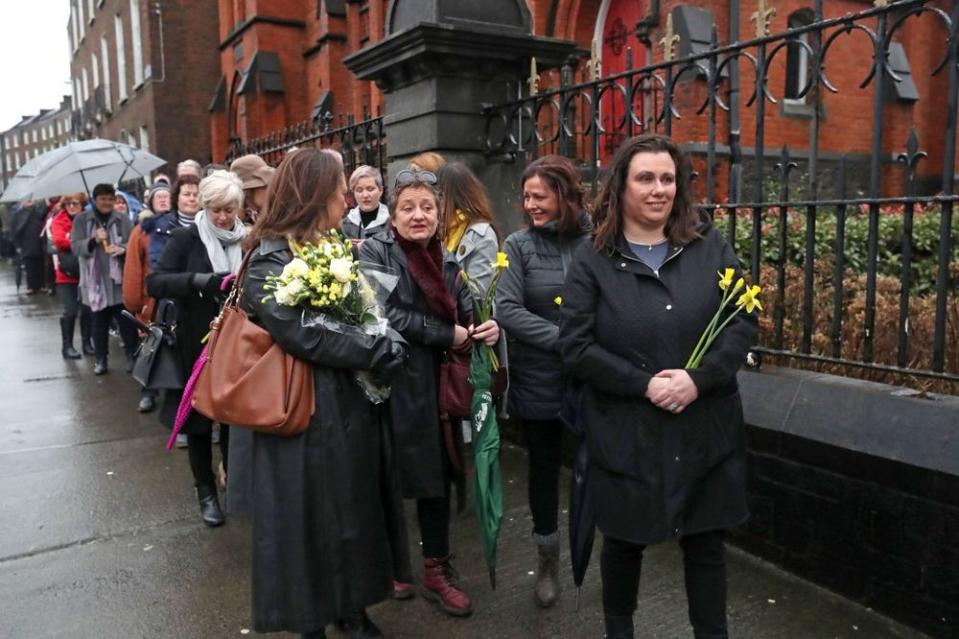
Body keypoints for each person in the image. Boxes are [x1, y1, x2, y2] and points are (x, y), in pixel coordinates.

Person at [560, 134, 757, 639]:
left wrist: (698, 379)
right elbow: (577, 347)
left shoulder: (708, 245)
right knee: (624, 544)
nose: (658, 189)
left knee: (706, 547)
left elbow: (740, 320)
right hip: (629, 433)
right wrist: (644, 385)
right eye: (645, 178)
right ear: (621, 186)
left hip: (703, 429)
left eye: (667, 178)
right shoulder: (593, 260)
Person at [227, 149, 410, 639]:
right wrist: (373, 348)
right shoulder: (267, 256)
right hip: (298, 416)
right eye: (338, 189)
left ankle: (350, 606)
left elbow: (356, 308)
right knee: (306, 522)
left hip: (343, 408)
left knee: (350, 514)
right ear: (314, 195)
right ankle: (311, 617)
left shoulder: (329, 245)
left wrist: (382, 331)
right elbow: (303, 333)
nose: (345, 198)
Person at [360, 168, 500, 617]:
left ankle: (436, 571)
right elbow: (381, 314)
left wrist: (486, 328)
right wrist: (446, 333)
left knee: (436, 478)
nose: (419, 216)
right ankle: (395, 568)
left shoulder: (448, 258)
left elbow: (465, 313)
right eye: (408, 208)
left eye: (427, 207)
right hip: (390, 385)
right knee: (387, 478)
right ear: (393, 214)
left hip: (437, 391)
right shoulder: (375, 252)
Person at [495, 154, 591, 608]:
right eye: (526, 196)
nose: (530, 204)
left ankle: (600, 553)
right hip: (540, 378)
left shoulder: (597, 242)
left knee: (598, 469)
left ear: (564, 195)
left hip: (593, 379)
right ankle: (548, 561)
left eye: (540, 196)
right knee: (544, 471)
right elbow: (508, 309)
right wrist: (566, 342)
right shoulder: (518, 245)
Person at [147, 171, 248, 526]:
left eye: (230, 209)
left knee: (237, 417)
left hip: (238, 345)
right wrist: (198, 282)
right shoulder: (185, 239)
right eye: (216, 209)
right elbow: (156, 282)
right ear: (204, 206)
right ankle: (205, 491)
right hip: (194, 343)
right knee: (200, 423)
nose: (223, 217)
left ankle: (232, 477)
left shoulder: (248, 240)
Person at [70, 184, 139, 375]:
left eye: (111, 199)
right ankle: (101, 360)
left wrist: (123, 248)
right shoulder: (81, 220)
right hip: (95, 285)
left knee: (126, 322)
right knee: (98, 324)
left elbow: (133, 243)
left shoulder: (122, 219)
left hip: (119, 282)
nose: (107, 203)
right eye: (103, 199)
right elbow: (75, 247)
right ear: (95, 200)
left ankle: (132, 356)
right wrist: (93, 240)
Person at [436, 162, 499, 291]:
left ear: (457, 197)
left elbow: (479, 294)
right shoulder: (438, 229)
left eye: (440, 195)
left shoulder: (481, 235)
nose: (435, 201)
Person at [49, 193, 93, 358]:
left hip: (87, 272)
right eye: (68, 204)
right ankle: (67, 346)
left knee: (87, 310)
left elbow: (94, 240)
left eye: (75, 203)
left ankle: (87, 343)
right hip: (66, 274)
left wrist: (75, 241)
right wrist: (81, 242)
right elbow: (60, 241)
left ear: (82, 204)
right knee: (70, 311)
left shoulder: (88, 219)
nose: (72, 207)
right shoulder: (59, 220)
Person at [341, 165, 389, 243]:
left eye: (370, 189)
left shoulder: (392, 222)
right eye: (359, 190)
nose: (365, 195)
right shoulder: (346, 224)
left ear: (381, 190)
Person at [12, 200, 48, 294]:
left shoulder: (38, 211)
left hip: (39, 242)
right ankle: (31, 286)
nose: (29, 202)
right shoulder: (18, 214)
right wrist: (17, 245)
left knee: (41, 264)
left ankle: (42, 285)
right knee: (29, 266)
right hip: (26, 243)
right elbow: (15, 230)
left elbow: (43, 217)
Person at [229, 154, 275, 224]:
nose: (269, 189)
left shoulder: (277, 211)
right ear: (248, 191)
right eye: (263, 186)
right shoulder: (233, 222)